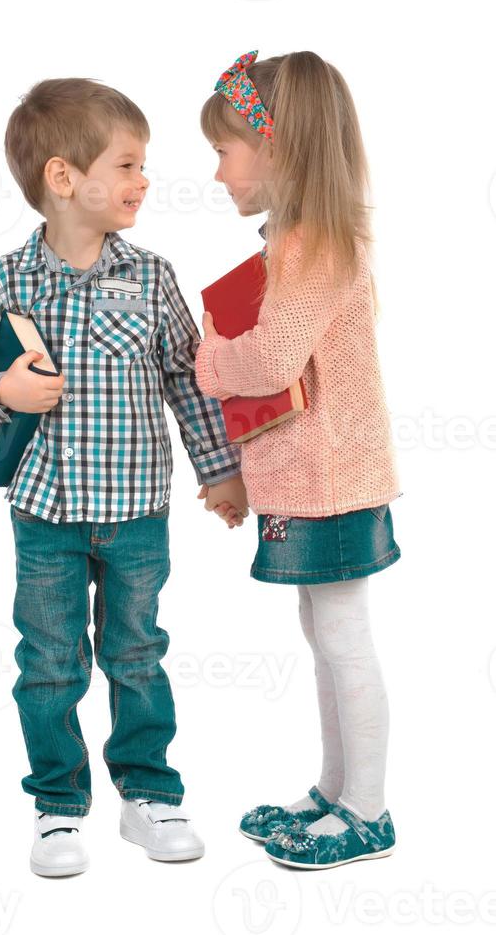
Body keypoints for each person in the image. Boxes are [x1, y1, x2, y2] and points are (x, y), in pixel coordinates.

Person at [0, 77, 248, 876]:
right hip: (44, 514)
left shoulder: (151, 277)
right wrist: (2, 389)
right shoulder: (6, 280)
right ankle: (58, 808)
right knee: (49, 661)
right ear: (64, 178)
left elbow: (188, 380)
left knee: (137, 652)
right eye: (130, 164)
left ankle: (148, 794)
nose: (146, 180)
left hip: (138, 509)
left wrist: (221, 473)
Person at [195, 50, 403, 870]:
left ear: (273, 149)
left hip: (334, 478)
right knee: (324, 631)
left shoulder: (315, 244)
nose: (216, 172)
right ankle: (335, 790)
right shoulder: (294, 241)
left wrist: (211, 357)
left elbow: (275, 362)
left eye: (224, 150)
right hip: (307, 476)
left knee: (344, 635)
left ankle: (369, 810)